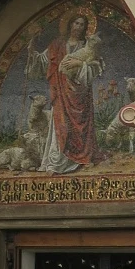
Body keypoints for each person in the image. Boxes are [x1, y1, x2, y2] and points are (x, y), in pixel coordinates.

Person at [27, 12, 102, 172]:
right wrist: (32, 49)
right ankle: (57, 161)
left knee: (82, 126)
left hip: (80, 94)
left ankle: (84, 157)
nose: (79, 27)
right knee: (61, 124)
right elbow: (42, 61)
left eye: (82, 24)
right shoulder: (57, 44)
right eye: (76, 23)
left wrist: (79, 64)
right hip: (61, 92)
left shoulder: (87, 46)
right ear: (69, 25)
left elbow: (96, 66)